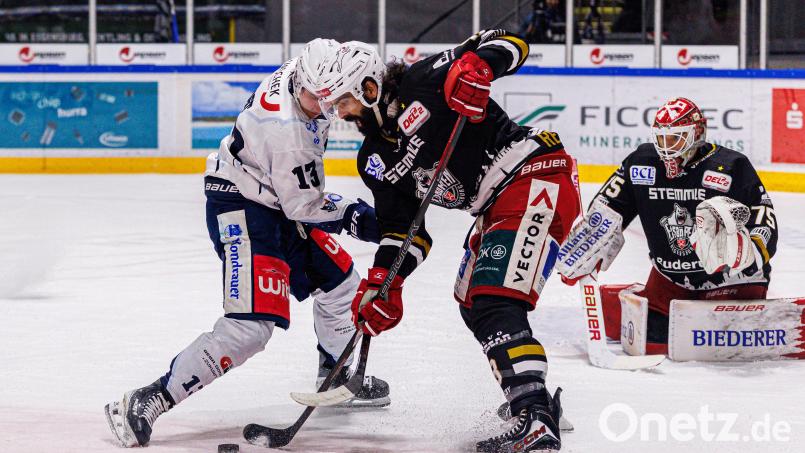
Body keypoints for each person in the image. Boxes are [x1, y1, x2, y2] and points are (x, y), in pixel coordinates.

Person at [104, 38, 390, 448]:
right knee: (250, 328)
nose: (321, 106)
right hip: (242, 205)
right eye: (316, 98)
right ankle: (150, 398)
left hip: (270, 193)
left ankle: (336, 371)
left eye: (328, 98)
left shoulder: (306, 70)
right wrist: (356, 216)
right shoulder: (288, 132)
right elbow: (303, 205)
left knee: (341, 282)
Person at [314, 31, 582, 452]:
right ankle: (531, 397)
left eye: (342, 101)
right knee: (473, 304)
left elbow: (510, 41)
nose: (338, 112)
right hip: (496, 204)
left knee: (494, 300)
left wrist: (481, 67)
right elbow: (403, 232)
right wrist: (384, 284)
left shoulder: (424, 79)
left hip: (533, 176)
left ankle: (534, 417)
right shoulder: (373, 160)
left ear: (368, 88)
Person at [558, 97, 778, 354]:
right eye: (661, 139)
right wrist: (585, 243)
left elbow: (763, 215)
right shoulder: (640, 164)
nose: (666, 147)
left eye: (674, 138)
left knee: (726, 348)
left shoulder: (730, 166)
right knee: (654, 343)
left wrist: (752, 250)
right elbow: (608, 209)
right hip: (669, 281)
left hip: (730, 281)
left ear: (696, 133)